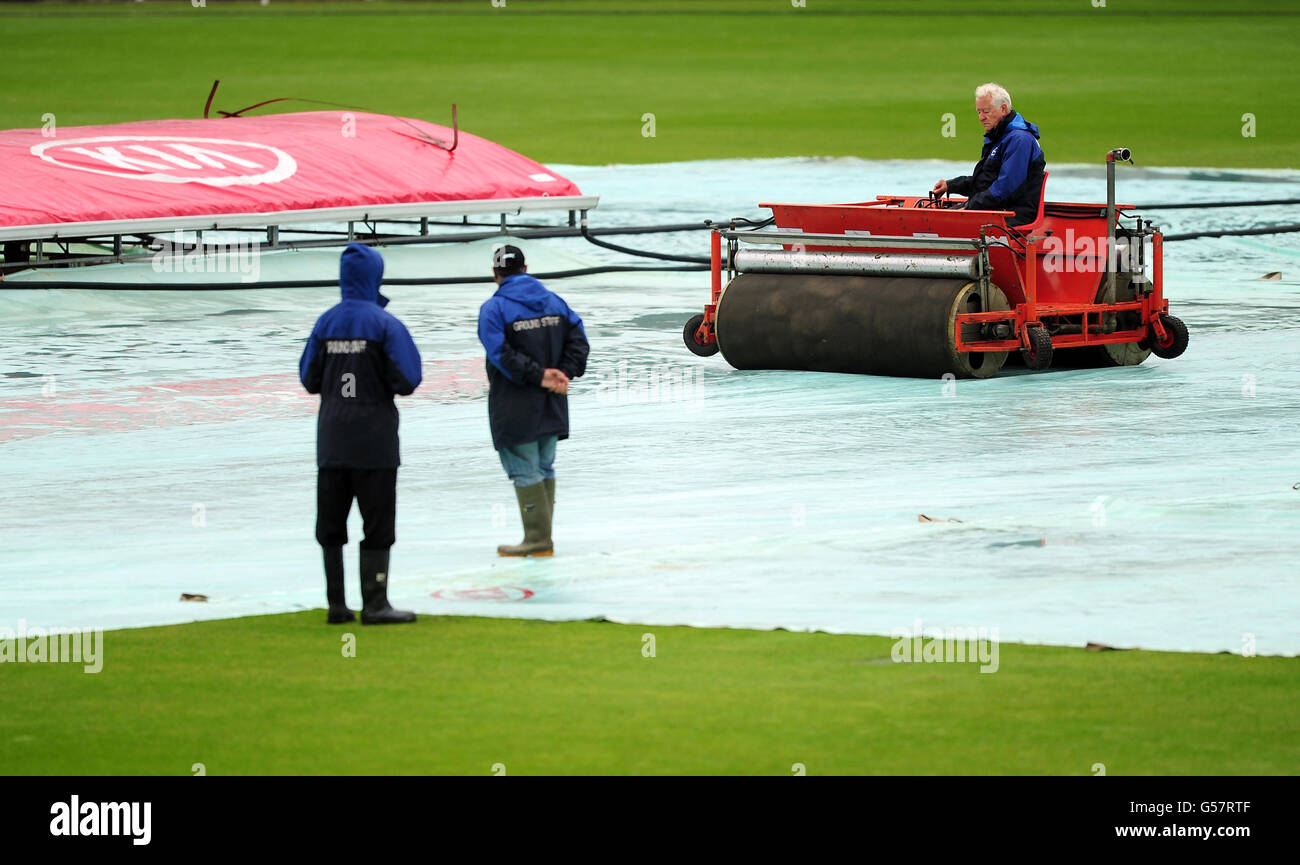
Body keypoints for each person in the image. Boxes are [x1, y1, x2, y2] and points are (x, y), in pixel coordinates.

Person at [299, 242, 422, 624]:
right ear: (375, 276)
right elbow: (408, 380)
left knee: (331, 525)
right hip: (375, 441)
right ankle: (375, 603)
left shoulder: (325, 322)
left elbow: (308, 379)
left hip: (332, 440)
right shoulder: (386, 324)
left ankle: (336, 604)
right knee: (378, 525)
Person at [477, 245, 589, 557]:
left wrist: (539, 375)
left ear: (496, 274)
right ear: (526, 268)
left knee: (524, 469)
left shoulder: (493, 309)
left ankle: (538, 539)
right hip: (554, 399)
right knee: (544, 466)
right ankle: (542, 538)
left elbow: (499, 353)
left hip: (515, 402)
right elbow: (579, 341)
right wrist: (564, 373)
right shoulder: (555, 302)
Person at [932, 82, 1046, 226]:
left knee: (942, 223)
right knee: (941, 219)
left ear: (1003, 109)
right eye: (978, 112)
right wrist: (951, 185)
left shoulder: (1019, 140)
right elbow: (986, 181)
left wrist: (970, 207)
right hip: (997, 209)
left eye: (986, 111)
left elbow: (1004, 188)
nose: (981, 118)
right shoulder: (999, 136)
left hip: (1013, 214)